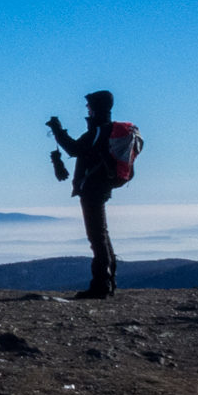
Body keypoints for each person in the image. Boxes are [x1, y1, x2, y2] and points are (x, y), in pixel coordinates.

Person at [48, 91, 119, 299]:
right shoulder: (105, 130)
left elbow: (74, 149)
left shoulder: (99, 131)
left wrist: (57, 130)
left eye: (89, 106)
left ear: (97, 107)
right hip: (100, 187)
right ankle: (108, 283)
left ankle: (100, 287)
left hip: (93, 189)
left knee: (97, 238)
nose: (87, 109)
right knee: (101, 235)